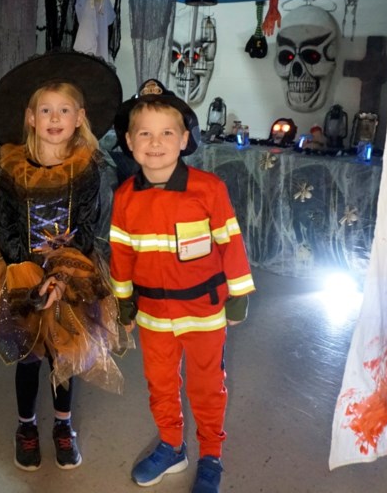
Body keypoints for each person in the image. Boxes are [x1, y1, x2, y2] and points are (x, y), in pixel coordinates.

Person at [0, 50, 126, 473]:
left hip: (73, 274)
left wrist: (62, 278)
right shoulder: (12, 167)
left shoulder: (87, 169)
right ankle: (26, 425)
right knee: (28, 354)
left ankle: (63, 426)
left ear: (79, 117)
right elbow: (7, 227)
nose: (54, 117)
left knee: (65, 352)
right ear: (30, 117)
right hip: (20, 274)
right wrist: (30, 275)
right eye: (45, 109)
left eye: (64, 110)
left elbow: (87, 228)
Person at [109, 92, 255, 493]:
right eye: (145, 134)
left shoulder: (208, 189)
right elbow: (120, 253)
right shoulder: (123, 198)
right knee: (160, 382)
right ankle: (173, 446)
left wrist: (239, 293)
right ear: (130, 141)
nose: (155, 143)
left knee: (207, 386)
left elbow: (230, 241)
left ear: (184, 139)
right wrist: (123, 299)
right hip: (154, 315)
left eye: (166, 133)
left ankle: (211, 455)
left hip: (204, 313)